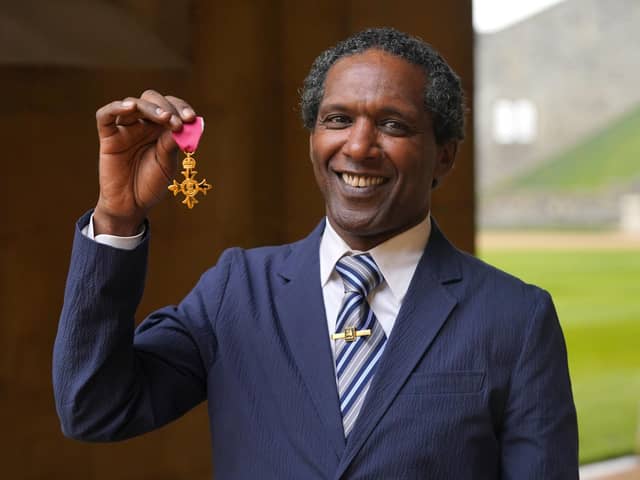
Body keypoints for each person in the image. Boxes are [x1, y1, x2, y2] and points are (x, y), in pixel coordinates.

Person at [53, 27, 578, 479]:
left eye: (393, 124)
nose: (358, 146)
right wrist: (117, 217)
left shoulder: (516, 319)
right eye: (337, 119)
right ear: (312, 139)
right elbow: (93, 409)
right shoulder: (237, 290)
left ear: (444, 154)